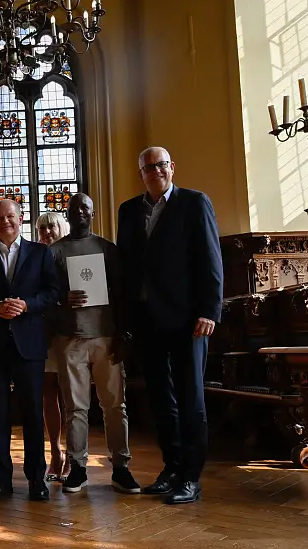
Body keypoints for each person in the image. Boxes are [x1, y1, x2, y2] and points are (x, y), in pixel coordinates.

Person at [117, 146, 223, 505]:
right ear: (141, 173)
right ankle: (172, 468)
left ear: (172, 168)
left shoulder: (194, 203)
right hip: (146, 321)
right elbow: (126, 268)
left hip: (188, 320)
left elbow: (210, 258)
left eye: (161, 165)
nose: (155, 171)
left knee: (191, 398)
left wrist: (210, 310)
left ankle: (191, 477)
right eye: (148, 167)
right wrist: (125, 320)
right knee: (161, 399)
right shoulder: (129, 210)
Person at [0, 199, 59, 501]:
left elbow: (54, 293)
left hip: (29, 344)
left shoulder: (41, 253)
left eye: (11, 217)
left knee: (32, 413)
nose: (5, 222)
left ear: (21, 219)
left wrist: (27, 305)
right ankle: (1, 479)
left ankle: (36, 479)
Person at [50, 194, 140, 495]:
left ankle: (121, 467)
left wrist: (123, 334)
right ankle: (77, 467)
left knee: (115, 405)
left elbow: (122, 294)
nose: (79, 214)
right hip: (69, 337)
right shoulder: (55, 252)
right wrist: (62, 298)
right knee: (75, 407)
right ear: (67, 214)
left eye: (85, 209)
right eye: (74, 210)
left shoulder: (107, 249)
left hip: (106, 336)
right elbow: (45, 295)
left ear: (93, 213)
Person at [36, 212, 71, 482]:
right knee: (48, 394)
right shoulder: (35, 258)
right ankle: (55, 452)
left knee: (71, 397)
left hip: (70, 335)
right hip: (42, 336)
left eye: (52, 226)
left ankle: (73, 454)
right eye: (42, 228)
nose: (47, 232)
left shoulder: (72, 255)